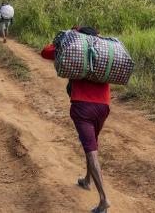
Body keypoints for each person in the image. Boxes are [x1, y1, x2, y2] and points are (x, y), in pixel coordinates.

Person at [41, 26, 111, 213]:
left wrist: (68, 35)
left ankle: (104, 200)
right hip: (103, 106)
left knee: (91, 151)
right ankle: (87, 180)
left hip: (82, 106)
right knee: (92, 144)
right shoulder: (104, 50)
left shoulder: (75, 49)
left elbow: (46, 52)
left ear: (79, 37)